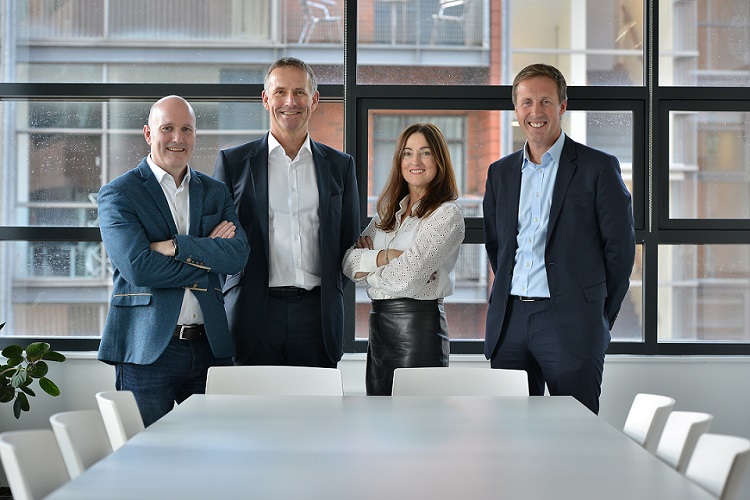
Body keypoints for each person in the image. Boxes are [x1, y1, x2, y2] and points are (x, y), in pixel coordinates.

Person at [482, 64, 635, 414]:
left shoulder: (598, 167)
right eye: (527, 102)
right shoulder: (500, 173)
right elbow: (497, 245)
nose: (536, 112)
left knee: (576, 430)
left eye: (546, 102)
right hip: (510, 322)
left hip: (572, 323)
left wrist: (597, 314)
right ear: (516, 109)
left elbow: (620, 250)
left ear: (563, 106)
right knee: (509, 434)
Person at [97, 95, 250, 426]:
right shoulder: (120, 193)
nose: (178, 138)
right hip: (148, 349)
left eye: (187, 129)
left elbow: (238, 256)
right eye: (167, 128)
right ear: (148, 133)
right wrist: (208, 252)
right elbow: (139, 267)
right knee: (147, 458)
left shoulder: (215, 192)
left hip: (211, 346)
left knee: (219, 453)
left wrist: (175, 247)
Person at [213, 57, 360, 368]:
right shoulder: (233, 163)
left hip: (317, 317)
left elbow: (347, 240)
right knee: (254, 415)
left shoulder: (340, 166)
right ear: (266, 99)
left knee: (315, 415)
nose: (290, 102)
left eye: (300, 92)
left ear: (315, 100)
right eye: (279, 92)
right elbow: (218, 243)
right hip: (253, 314)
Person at [343, 123, 465, 396]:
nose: (415, 162)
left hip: (418, 331)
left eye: (425, 153)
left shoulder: (446, 215)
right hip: (379, 332)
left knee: (418, 425)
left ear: (440, 160)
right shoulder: (388, 213)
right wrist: (386, 256)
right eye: (408, 154)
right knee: (380, 424)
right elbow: (349, 264)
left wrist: (370, 262)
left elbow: (406, 280)